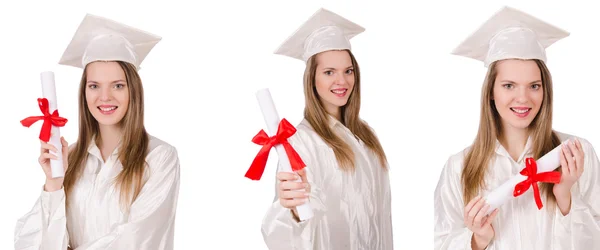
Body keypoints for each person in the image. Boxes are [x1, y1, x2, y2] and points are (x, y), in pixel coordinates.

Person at [434, 6, 600, 250]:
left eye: (534, 86)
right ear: (491, 91)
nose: (523, 98)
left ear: (545, 91)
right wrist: (477, 240)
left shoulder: (573, 154)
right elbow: (443, 243)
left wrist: (565, 195)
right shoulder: (459, 168)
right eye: (509, 85)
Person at [14, 13, 180, 250]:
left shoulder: (159, 157)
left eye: (118, 85)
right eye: (94, 86)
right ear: (85, 92)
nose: (105, 97)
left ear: (133, 90)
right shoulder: (70, 158)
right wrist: (54, 184)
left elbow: (138, 239)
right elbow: (34, 244)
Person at [260, 8, 393, 250]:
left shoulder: (367, 137)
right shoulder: (301, 142)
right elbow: (285, 232)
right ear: (312, 79)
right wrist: (293, 209)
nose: (342, 81)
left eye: (348, 71)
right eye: (329, 72)